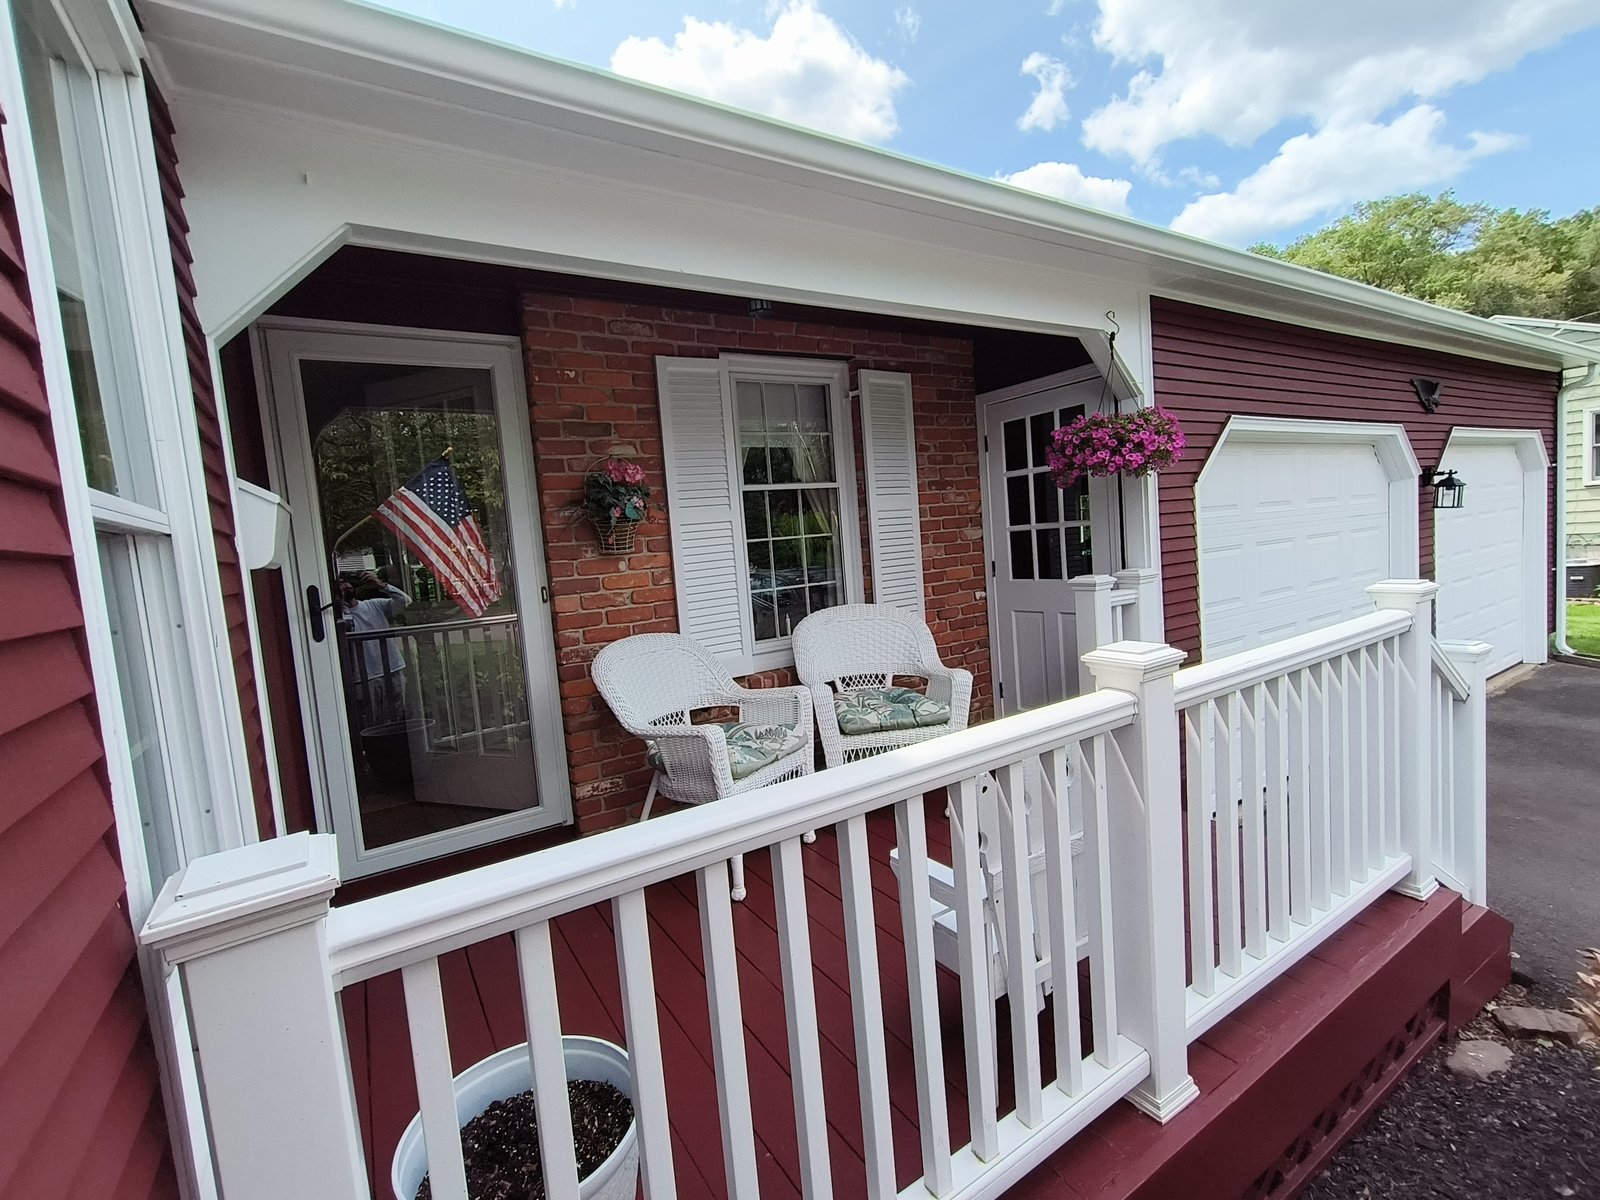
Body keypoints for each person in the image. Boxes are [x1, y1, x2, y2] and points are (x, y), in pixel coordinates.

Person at [342, 569, 411, 723]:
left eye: (347, 582)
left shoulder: (375, 605)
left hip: (392, 669)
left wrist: (380, 585)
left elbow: (405, 601)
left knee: (396, 718)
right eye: (340, 584)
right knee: (370, 722)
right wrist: (341, 608)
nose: (345, 586)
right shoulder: (337, 615)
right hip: (363, 677)